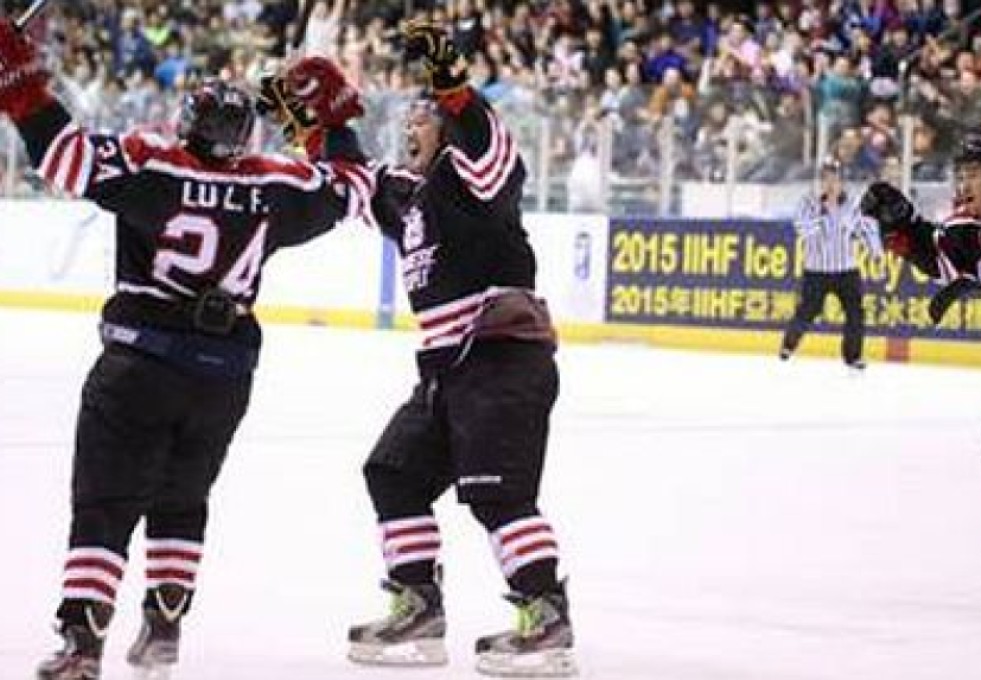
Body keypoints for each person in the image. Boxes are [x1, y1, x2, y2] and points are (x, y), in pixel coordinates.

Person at [0, 19, 365, 680]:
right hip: (223, 378)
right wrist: (332, 118)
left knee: (106, 502)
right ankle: (163, 630)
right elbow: (350, 186)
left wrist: (22, 88)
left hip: (140, 363)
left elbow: (64, 158)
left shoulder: (154, 163)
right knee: (181, 498)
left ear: (187, 123)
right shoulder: (276, 185)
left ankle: (83, 645)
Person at [264, 22, 577, 677]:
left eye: (422, 121)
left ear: (447, 133)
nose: (409, 130)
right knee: (394, 473)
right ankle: (420, 606)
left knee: (498, 495)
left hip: (500, 359)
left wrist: (451, 82)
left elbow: (488, 143)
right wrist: (307, 124)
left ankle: (545, 616)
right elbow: (352, 178)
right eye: (405, 120)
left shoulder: (474, 179)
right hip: (445, 373)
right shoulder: (407, 200)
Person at [860, 134, 981, 593]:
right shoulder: (972, 225)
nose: (963, 183)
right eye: (961, 173)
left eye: (974, 173)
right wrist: (904, 223)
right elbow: (940, 256)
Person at [779, 157, 883, 369]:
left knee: (855, 312)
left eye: (835, 179)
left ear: (841, 181)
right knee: (808, 310)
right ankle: (789, 344)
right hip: (816, 270)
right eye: (826, 179)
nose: (831, 184)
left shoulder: (853, 204)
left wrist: (876, 252)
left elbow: (866, 228)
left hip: (846, 269)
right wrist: (824, 212)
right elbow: (804, 230)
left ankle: (853, 356)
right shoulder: (808, 203)